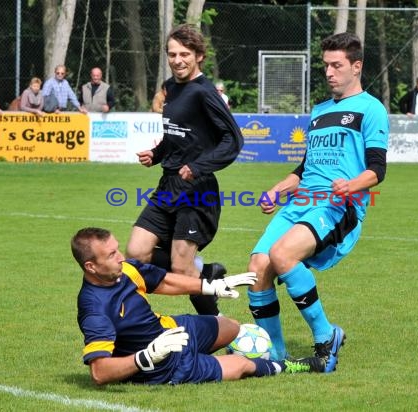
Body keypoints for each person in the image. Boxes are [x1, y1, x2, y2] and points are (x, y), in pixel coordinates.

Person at [246, 32, 389, 373]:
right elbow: (304, 167)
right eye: (325, 65)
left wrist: (350, 186)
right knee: (257, 268)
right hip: (301, 201)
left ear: (356, 67)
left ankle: (326, 337)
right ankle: (274, 356)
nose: (329, 72)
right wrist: (278, 189)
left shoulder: (372, 109)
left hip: (338, 205)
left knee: (282, 255)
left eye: (336, 65)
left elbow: (377, 170)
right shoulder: (320, 111)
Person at [72, 227, 324, 386]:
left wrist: (211, 286)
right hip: (161, 366)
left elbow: (164, 281)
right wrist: (147, 356)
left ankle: (204, 360)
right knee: (243, 365)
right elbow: (99, 372)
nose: (121, 257)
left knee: (230, 327)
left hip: (173, 330)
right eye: (111, 255)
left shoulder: (125, 269)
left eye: (117, 250)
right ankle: (290, 366)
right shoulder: (95, 308)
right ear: (91, 267)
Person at [126, 24, 244, 317]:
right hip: (168, 185)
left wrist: (199, 166)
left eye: (185, 54)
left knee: (181, 268)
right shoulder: (172, 87)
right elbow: (176, 135)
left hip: (197, 189)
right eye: (172, 54)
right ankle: (205, 271)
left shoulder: (205, 92)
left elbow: (234, 139)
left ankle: (216, 324)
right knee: (136, 253)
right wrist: (156, 154)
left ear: (199, 56)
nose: (177, 60)